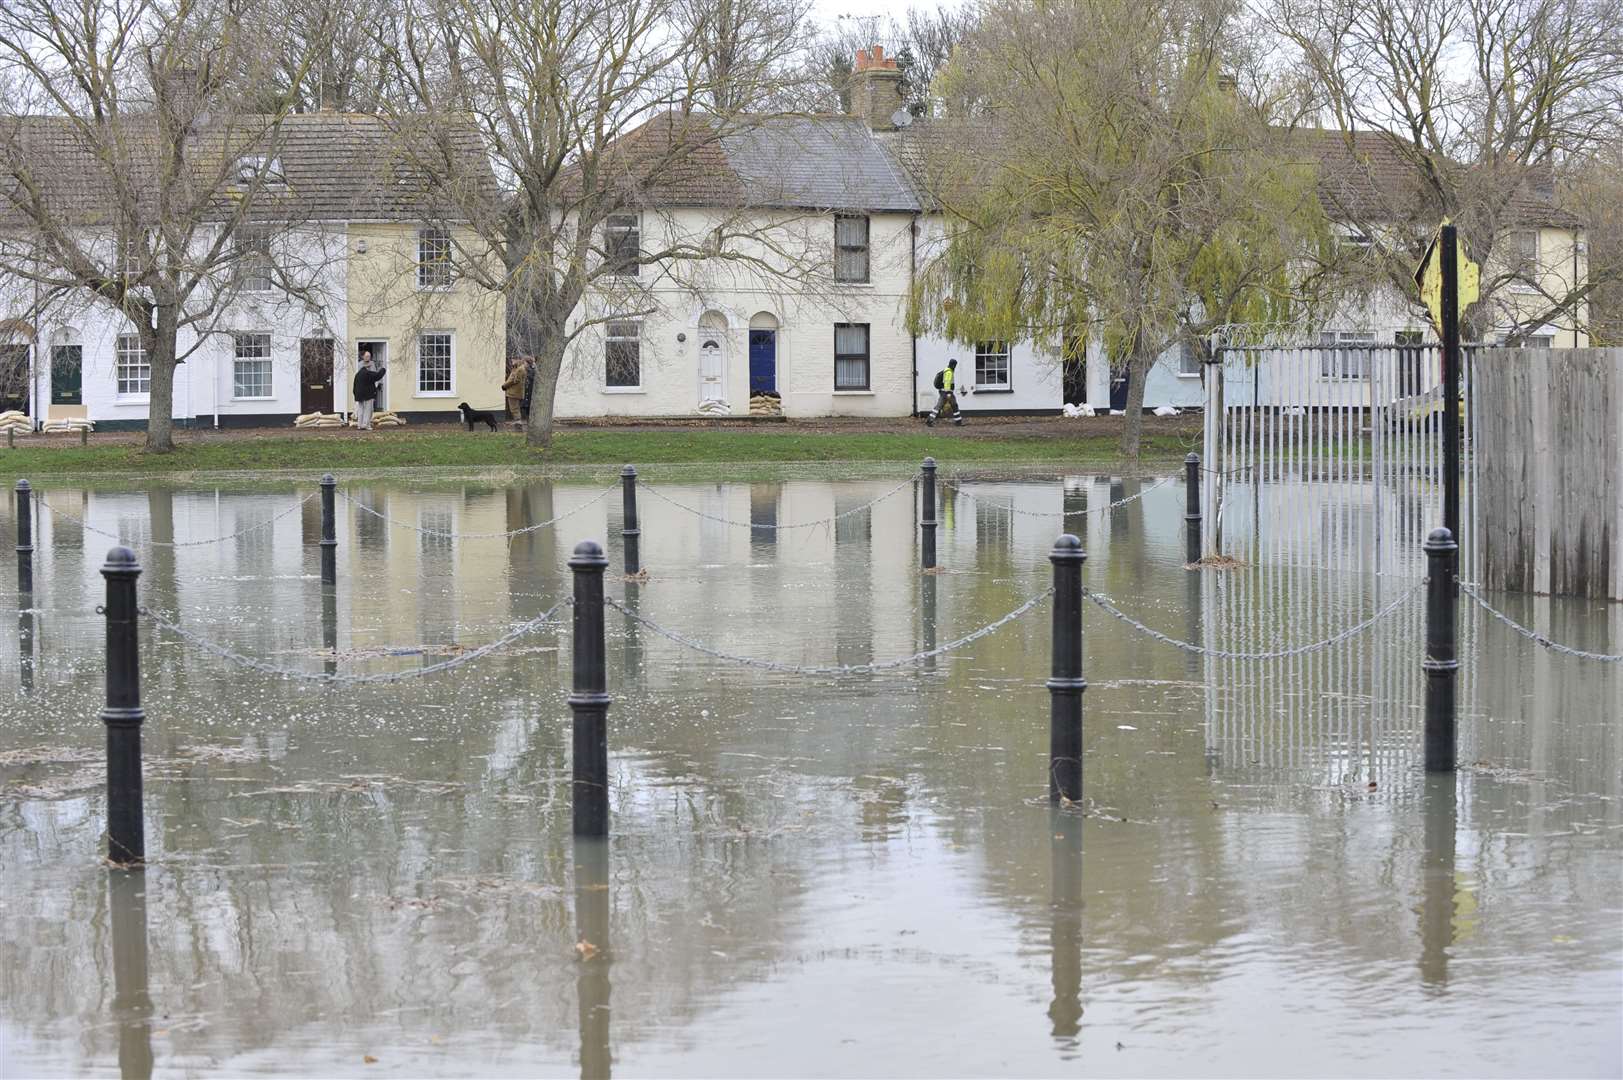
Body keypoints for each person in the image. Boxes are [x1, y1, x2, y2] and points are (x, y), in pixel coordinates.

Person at [352, 349, 386, 431]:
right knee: (368, 408)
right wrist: (383, 370)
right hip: (367, 391)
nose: (368, 358)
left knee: (363, 408)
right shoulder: (361, 366)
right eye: (367, 356)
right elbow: (375, 375)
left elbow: (356, 383)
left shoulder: (370, 365)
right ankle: (365, 424)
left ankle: (360, 425)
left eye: (369, 356)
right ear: (362, 356)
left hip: (361, 390)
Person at [926, 358, 965, 426]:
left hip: (945, 392)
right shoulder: (949, 372)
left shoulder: (947, 370)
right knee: (942, 406)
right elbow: (947, 383)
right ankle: (929, 420)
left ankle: (958, 421)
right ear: (953, 365)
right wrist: (948, 393)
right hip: (946, 393)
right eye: (955, 365)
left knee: (952, 405)